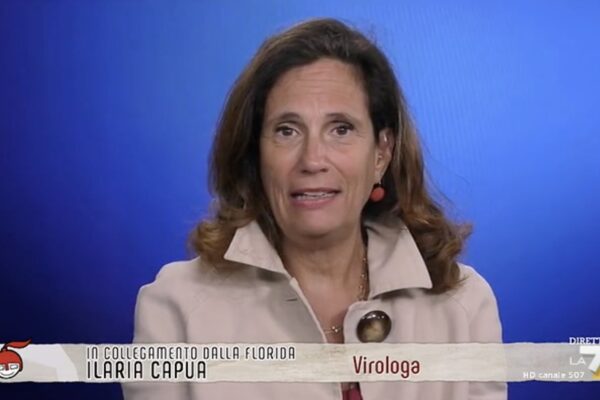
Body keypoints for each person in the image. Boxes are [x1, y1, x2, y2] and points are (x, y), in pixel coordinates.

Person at [123, 18, 506, 400]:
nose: (312, 160)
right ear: (256, 155)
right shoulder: (176, 309)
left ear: (381, 153)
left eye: (341, 129)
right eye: (287, 130)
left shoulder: (464, 306)